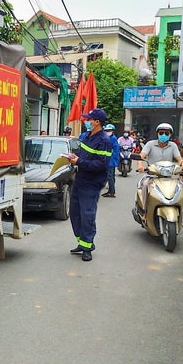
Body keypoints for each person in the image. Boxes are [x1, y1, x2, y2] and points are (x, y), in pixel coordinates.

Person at [64, 108, 112, 262]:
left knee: (87, 216)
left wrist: (79, 161)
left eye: (89, 119)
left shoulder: (104, 141)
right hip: (80, 179)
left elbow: (101, 164)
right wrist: (73, 156)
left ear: (97, 122)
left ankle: (87, 247)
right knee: (75, 213)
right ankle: (82, 242)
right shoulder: (87, 136)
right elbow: (82, 153)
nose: (87, 122)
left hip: (92, 183)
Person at [102, 123, 119, 198]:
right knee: (111, 176)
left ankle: (112, 192)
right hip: (109, 160)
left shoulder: (113, 139)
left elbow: (114, 151)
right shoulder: (108, 138)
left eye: (109, 130)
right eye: (106, 130)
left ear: (112, 131)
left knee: (110, 176)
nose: (107, 132)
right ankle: (110, 191)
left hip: (111, 160)